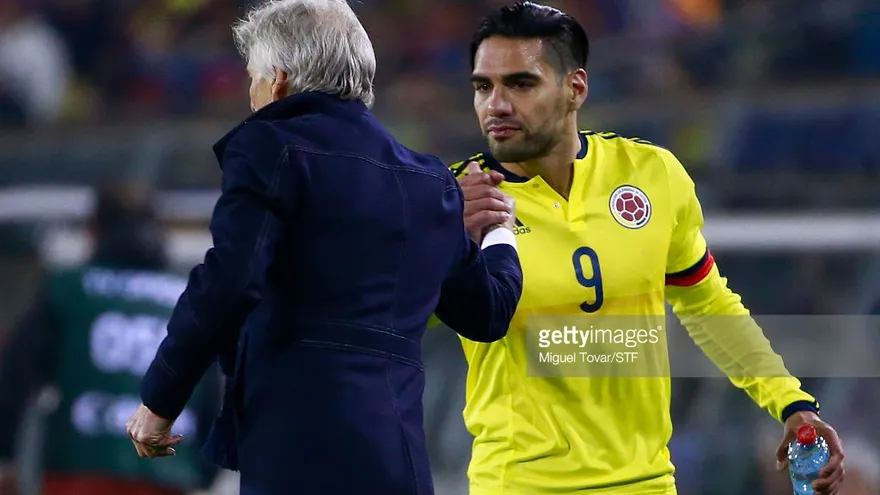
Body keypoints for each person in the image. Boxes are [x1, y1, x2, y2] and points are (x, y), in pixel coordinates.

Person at [438, 2, 846, 494]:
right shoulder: (454, 204)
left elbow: (706, 303)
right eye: (484, 86)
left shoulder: (651, 175)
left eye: (520, 84)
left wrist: (791, 402)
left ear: (575, 88)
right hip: (520, 484)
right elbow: (390, 319)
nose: (496, 105)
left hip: (647, 483)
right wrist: (441, 240)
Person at [124, 1, 523, 494]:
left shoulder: (271, 146)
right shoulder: (429, 181)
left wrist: (160, 399)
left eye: (253, 77)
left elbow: (229, 281)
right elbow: (488, 314)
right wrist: (502, 226)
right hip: (399, 460)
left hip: (298, 447)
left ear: (280, 81)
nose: (251, 96)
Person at [0, 182, 220, 495]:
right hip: (165, 475)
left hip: (80, 472)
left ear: (93, 231)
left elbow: (15, 376)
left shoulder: (69, 290)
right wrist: (201, 473)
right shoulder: (189, 301)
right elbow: (213, 398)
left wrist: (6, 457)